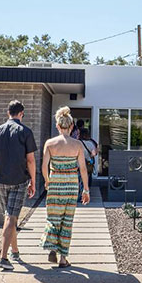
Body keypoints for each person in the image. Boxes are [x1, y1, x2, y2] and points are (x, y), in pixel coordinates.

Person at [0, 100, 38, 272]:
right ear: (21, 113)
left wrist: (0, 165)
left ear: (8, 113)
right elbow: (30, 160)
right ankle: (3, 258)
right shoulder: (25, 132)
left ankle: (15, 251)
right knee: (11, 217)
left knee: (9, 216)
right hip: (19, 180)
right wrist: (33, 181)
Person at [41, 106, 90, 268]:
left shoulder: (50, 143)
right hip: (71, 185)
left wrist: (47, 181)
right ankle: (63, 258)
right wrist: (86, 189)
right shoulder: (77, 145)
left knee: (53, 218)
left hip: (55, 183)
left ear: (57, 126)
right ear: (71, 126)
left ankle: (52, 247)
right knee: (67, 221)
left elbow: (44, 166)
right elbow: (83, 169)